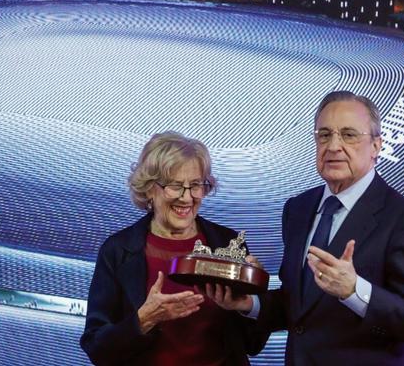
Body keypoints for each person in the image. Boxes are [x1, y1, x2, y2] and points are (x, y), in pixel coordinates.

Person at [210, 91, 404, 365]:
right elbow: (301, 305)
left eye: (349, 135)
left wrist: (355, 290)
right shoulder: (298, 209)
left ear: (377, 145)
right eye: (324, 135)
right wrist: (251, 304)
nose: (333, 146)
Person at [80, 132, 267, 365]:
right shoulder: (117, 251)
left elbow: (254, 344)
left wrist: (250, 302)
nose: (186, 198)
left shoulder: (227, 244)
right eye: (175, 185)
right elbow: (97, 349)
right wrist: (143, 320)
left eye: (195, 185)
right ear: (149, 188)